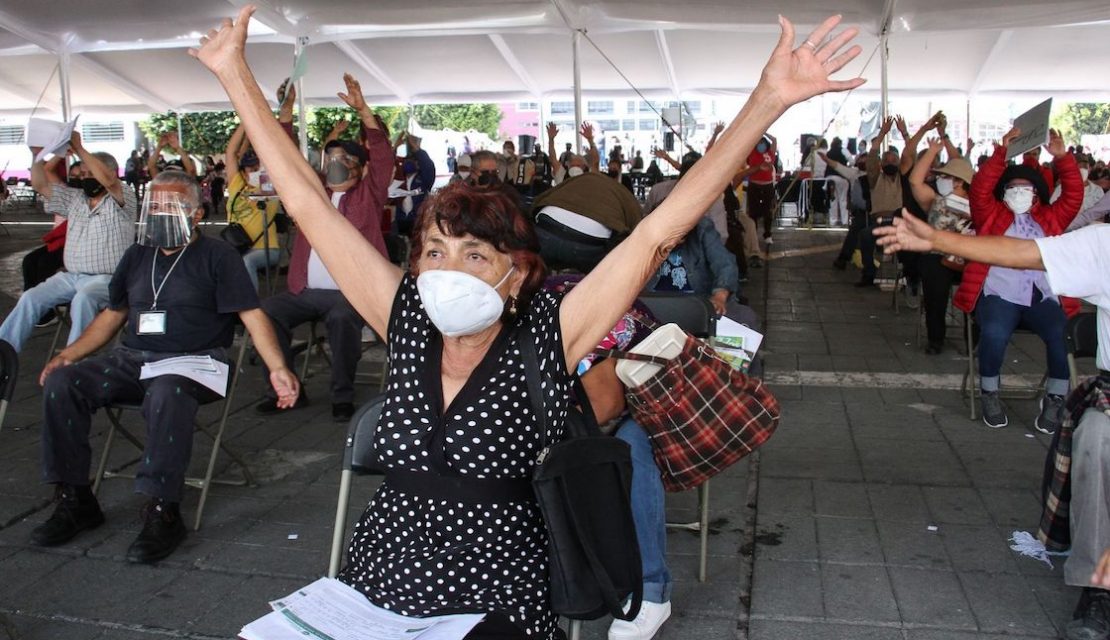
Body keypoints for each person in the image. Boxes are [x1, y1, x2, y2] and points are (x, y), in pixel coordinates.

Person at [189, 8, 862, 637]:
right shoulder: (407, 320)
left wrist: (767, 101)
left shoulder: (547, 333)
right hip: (378, 582)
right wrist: (233, 73)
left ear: (515, 273)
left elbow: (657, 232)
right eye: (434, 252)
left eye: (474, 254)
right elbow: (308, 205)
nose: (447, 270)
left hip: (500, 590)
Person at [31, 171, 299, 563]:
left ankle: (163, 509)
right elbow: (112, 316)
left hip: (195, 363)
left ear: (196, 213)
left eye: (170, 206)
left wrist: (277, 368)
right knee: (63, 383)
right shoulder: (138, 255)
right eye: (153, 205)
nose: (159, 212)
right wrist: (67, 356)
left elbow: (252, 315)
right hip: (134, 359)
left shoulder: (218, 256)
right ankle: (76, 499)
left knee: (167, 391)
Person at [874, 215, 1110, 640]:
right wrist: (938, 239)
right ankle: (1099, 589)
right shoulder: (1104, 245)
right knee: (1095, 436)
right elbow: (1024, 252)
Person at [255, 73, 392, 423]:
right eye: (330, 157)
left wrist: (364, 111)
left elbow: (382, 155)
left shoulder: (369, 194)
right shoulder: (314, 192)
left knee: (343, 318)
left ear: (360, 168)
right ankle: (284, 388)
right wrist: (286, 111)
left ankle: (341, 395)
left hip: (351, 293)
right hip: (305, 291)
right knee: (265, 313)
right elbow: (283, 155)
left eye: (344, 158)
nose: (335, 163)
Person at [951, 126, 1082, 431]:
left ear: (1036, 192)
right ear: (1004, 191)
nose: (1019, 191)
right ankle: (989, 392)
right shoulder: (990, 215)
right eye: (1013, 187)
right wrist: (1001, 153)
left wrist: (1062, 158)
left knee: (1062, 335)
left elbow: (1074, 195)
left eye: (1026, 187)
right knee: (994, 333)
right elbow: (980, 189)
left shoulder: (1051, 218)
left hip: (1042, 296)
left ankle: (1055, 398)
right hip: (1000, 294)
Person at [0, 133, 137, 353]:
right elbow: (41, 184)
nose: (85, 178)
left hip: (109, 279)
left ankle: (73, 360)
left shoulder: (123, 197)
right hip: (72, 276)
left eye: (90, 173)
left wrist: (80, 149)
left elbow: (109, 182)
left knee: (84, 299)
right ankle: (4, 353)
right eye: (83, 174)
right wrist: (37, 156)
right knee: (30, 298)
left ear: (111, 172)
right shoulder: (76, 199)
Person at [905, 137, 974, 354]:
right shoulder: (935, 200)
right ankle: (935, 339)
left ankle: (975, 340)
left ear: (959, 182)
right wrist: (932, 151)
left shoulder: (979, 205)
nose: (941, 179)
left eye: (946, 176)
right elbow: (915, 181)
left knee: (981, 286)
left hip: (969, 256)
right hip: (938, 257)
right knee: (934, 284)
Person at [225, 124, 282, 292]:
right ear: (243, 171)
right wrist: (244, 123)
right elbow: (230, 152)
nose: (255, 171)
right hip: (236, 245)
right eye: (251, 168)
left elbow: (272, 156)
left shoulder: (269, 187)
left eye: (258, 168)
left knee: (247, 261)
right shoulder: (237, 183)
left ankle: (251, 303)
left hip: (266, 248)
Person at [745, 133, 777, 247]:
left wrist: (764, 132)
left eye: (762, 143)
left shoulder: (770, 153)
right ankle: (754, 236)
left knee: (768, 212)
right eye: (758, 143)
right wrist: (757, 133)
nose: (760, 145)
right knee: (753, 212)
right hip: (754, 185)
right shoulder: (752, 152)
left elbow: (774, 139)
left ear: (766, 144)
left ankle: (767, 235)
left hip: (768, 185)